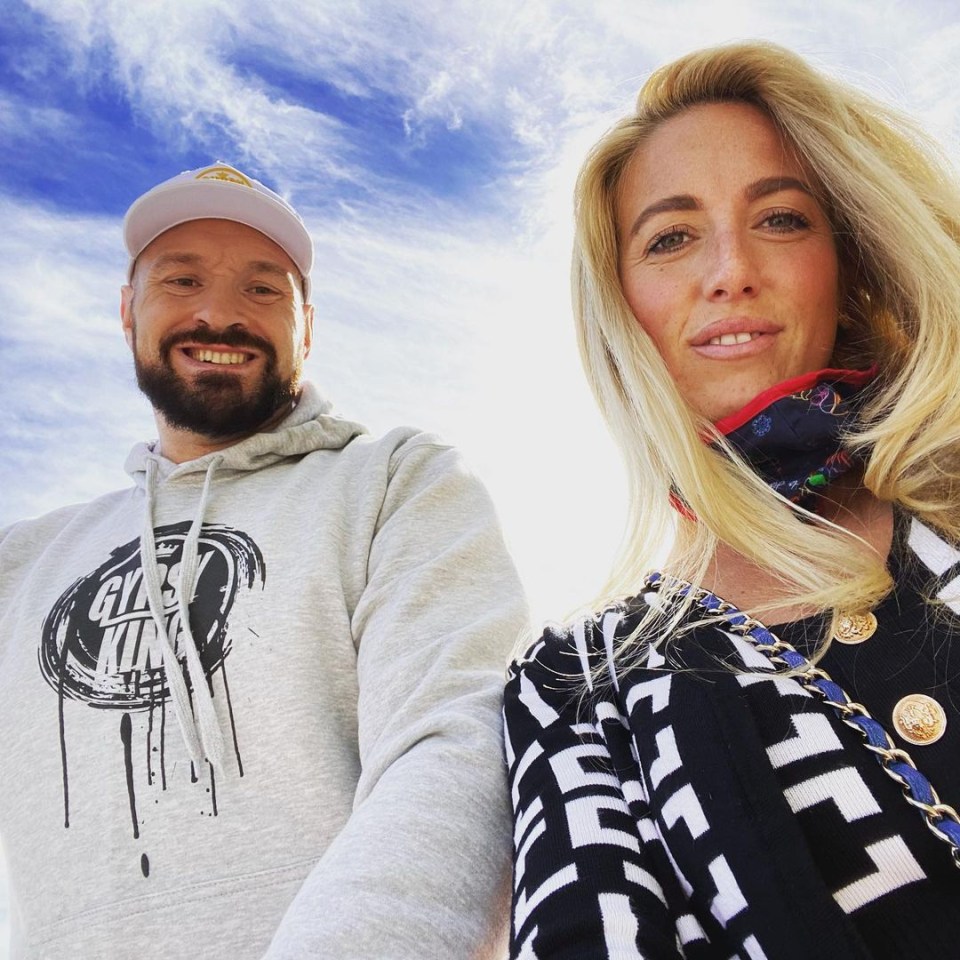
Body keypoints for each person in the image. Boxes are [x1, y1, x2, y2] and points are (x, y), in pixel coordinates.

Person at [0, 161, 528, 959]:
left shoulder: (396, 482)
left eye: (262, 289)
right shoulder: (21, 563)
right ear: (126, 310)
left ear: (305, 327)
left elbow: (457, 740)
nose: (219, 314)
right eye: (181, 280)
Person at [504, 41, 960, 959]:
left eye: (782, 219)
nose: (729, 271)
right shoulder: (580, 685)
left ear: (849, 258)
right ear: (621, 304)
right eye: (671, 237)